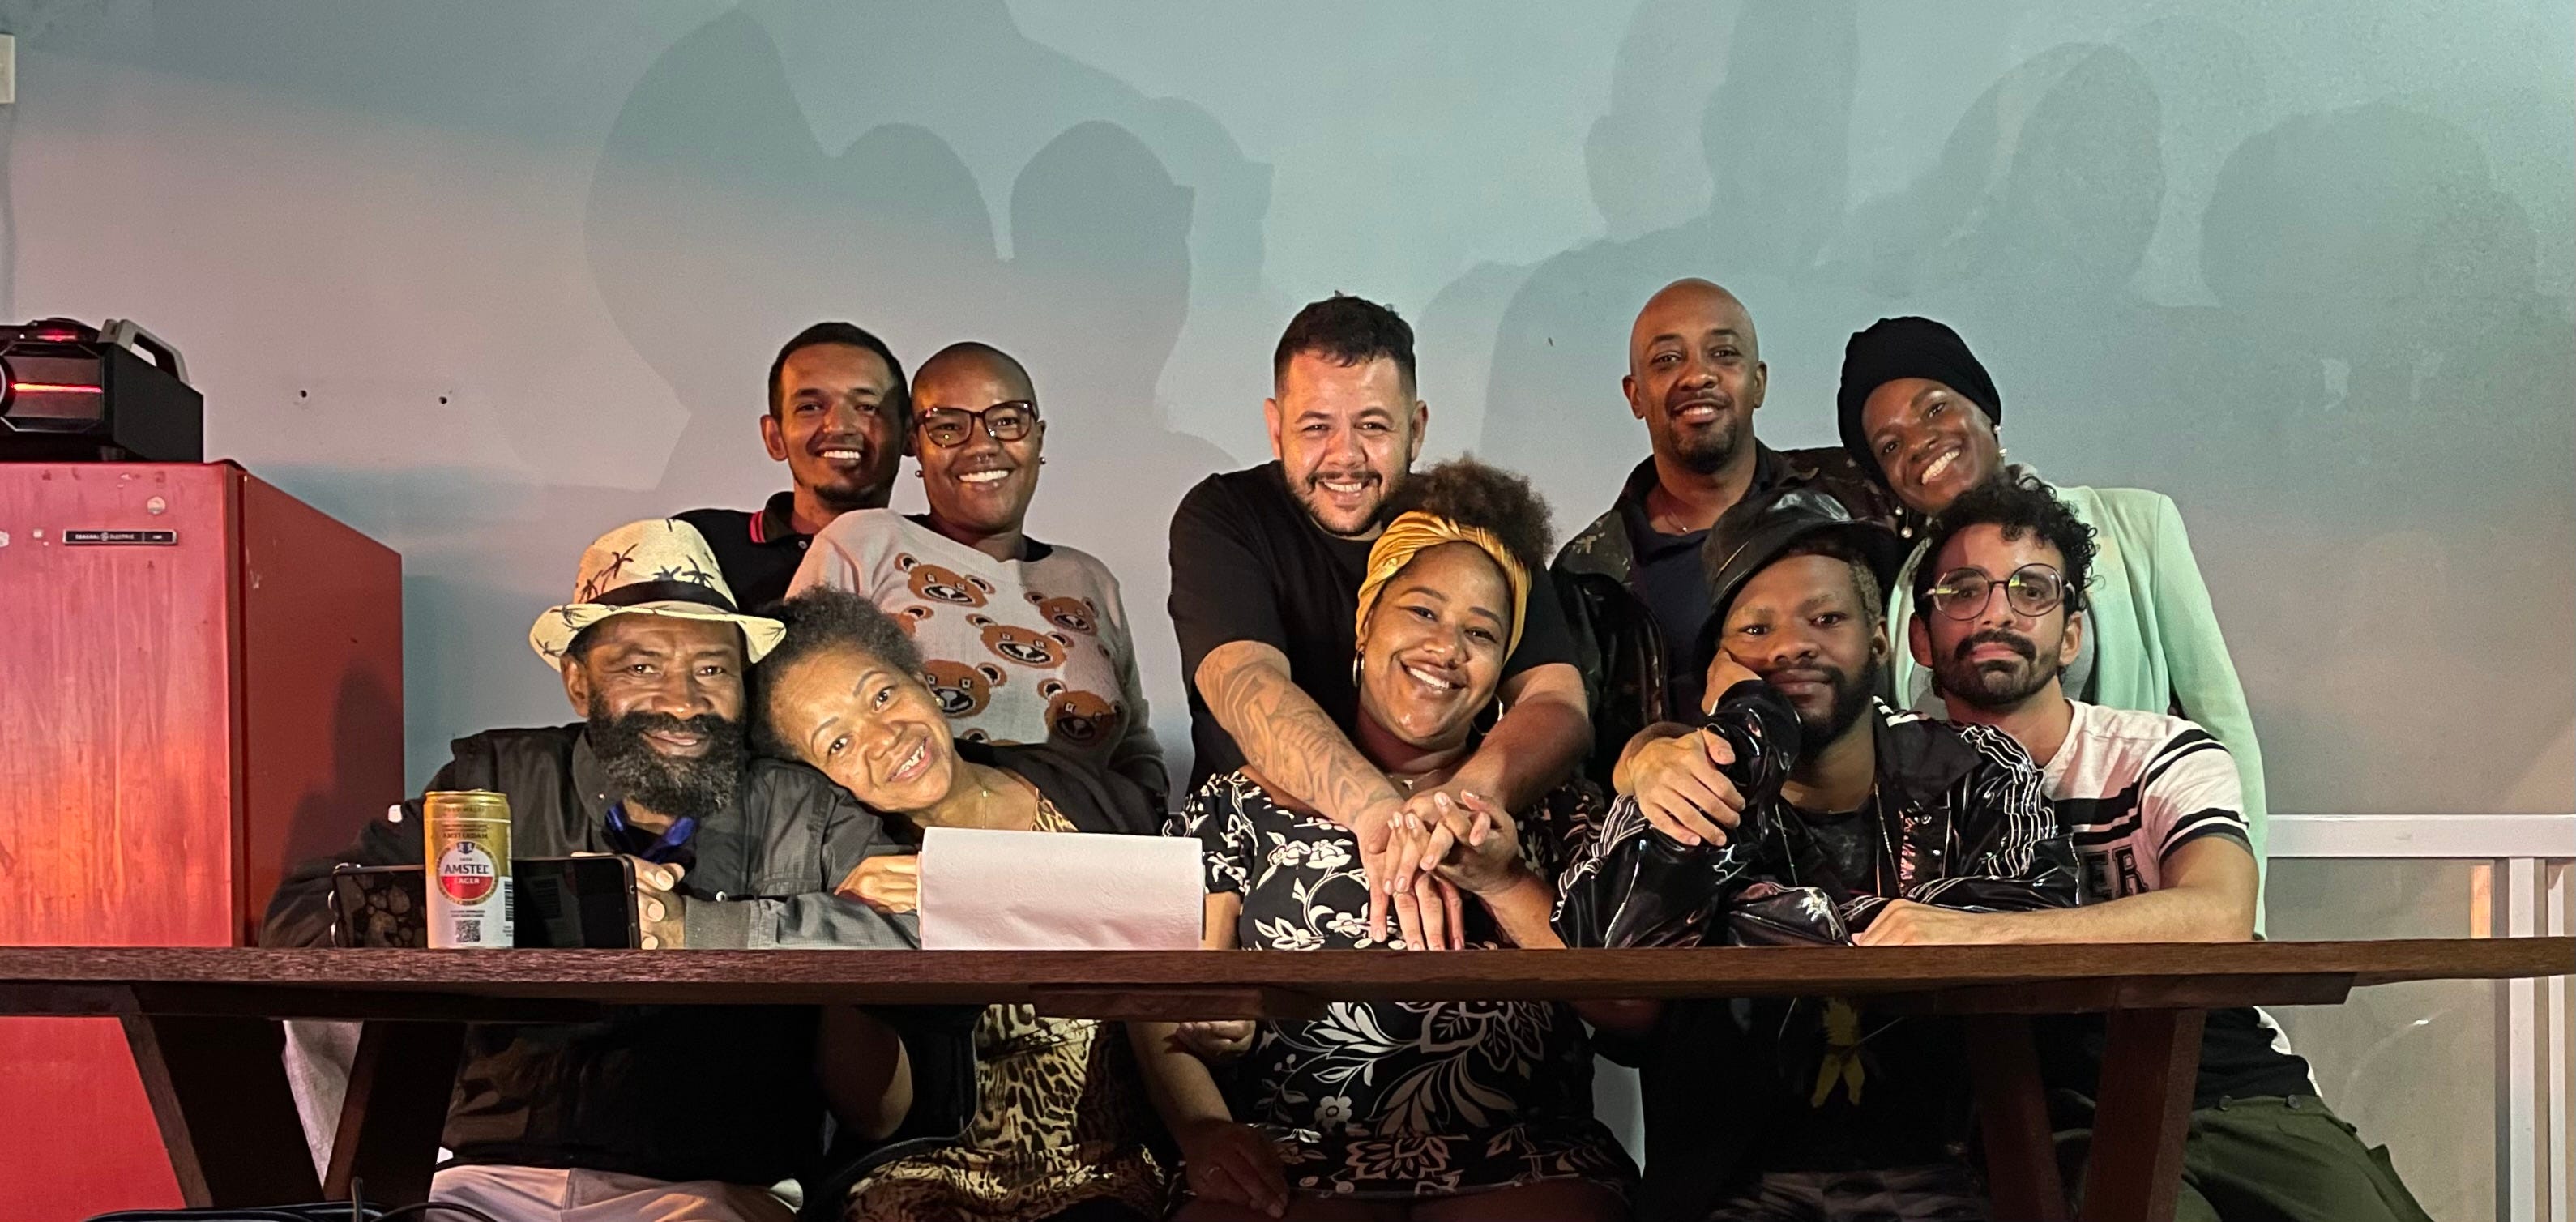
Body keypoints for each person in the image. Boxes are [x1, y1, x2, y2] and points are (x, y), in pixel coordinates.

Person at [263, 519, 929, 1222]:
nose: (684, 701)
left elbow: (922, 925)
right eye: (641, 669)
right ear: (578, 683)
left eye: (712, 670)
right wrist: (512, 910)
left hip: (716, 1188)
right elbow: (303, 914)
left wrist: (700, 929)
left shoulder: (806, 809)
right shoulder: (494, 780)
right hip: (485, 1183)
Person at [1891, 475, 2432, 1222]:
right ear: (1920, 636)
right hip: (2054, 1111)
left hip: (2233, 1085)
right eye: (1962, 591)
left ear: (2071, 633)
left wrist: (1975, 934)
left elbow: (2218, 913)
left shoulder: (2155, 753)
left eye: (2031, 590)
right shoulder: (1898, 782)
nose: (1997, 613)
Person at [1553, 488, 2074, 1222]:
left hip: (1949, 1178)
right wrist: (1751, 733)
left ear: (1879, 641)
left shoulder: (1975, 768)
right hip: (1732, 1192)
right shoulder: (1686, 780)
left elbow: (2034, 924)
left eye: (1826, 619)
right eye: (1755, 628)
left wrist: (1755, 924)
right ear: (1719, 667)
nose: (1791, 645)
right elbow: (1604, 958)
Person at [1141, 459, 1638, 1222]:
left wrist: (1502, 880)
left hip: (1522, 1156)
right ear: (1366, 622)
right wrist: (1204, 1125)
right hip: (1295, 1157)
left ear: (1500, 669)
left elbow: (1628, 1009)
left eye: (1480, 633)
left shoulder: (1552, 809)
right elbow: (1164, 1002)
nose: (1446, 647)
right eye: (1422, 612)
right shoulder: (1240, 803)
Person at [1168, 293, 1591, 949]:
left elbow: (1555, 701)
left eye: (1372, 426)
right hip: (1258, 866)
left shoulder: (1477, 532)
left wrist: (1459, 805)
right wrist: (1382, 817)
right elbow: (1245, 683)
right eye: (1316, 427)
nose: (1345, 456)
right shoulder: (1227, 517)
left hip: (1460, 855)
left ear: (1416, 429)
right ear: (1275, 426)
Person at [753, 586, 1173, 1222]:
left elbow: (1170, 968)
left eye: (882, 696)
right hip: (933, 1178)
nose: (883, 738)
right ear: (817, 776)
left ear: (921, 679)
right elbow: (876, 1116)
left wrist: (1217, 1036)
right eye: (837, 743)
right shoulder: (859, 869)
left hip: (1110, 1168)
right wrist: (849, 940)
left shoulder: (1090, 794)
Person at [1838, 314, 2271, 866]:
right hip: (1980, 885)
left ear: (1986, 412)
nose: (1920, 443)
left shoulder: (2138, 527)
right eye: (1890, 445)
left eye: (1935, 408)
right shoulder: (1902, 596)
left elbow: (2219, 723)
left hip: (2133, 874)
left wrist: (2242, 898)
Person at [791, 340, 1167, 806]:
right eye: (948, 427)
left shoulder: (1089, 579)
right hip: (908, 846)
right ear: (914, 444)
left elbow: (1134, 749)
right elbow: (797, 715)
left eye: (1007, 421)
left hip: (1083, 843)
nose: (983, 445)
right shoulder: (863, 543)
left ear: (1038, 438)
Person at [1553, 278, 1892, 780]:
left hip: (1877, 814)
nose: (1698, 376)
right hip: (1695, 824)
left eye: (1724, 354)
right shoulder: (1588, 574)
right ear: (1635, 395)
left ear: (1758, 382)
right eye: (1667, 360)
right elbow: (1576, 756)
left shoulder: (1856, 498)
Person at [680, 323, 911, 609]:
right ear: (774, 437)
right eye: (810, 407)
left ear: (909, 435)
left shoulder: (940, 557)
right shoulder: (697, 544)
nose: (839, 426)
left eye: (866, 407)